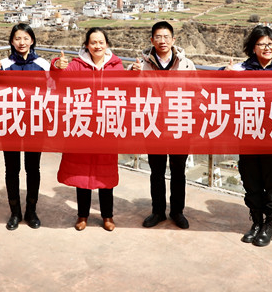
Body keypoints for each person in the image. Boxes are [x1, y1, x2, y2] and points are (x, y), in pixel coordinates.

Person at [223, 25, 272, 247]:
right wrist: (225, 75)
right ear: (253, 48)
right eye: (261, 44)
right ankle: (256, 222)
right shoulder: (240, 69)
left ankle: (269, 225)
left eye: (270, 44)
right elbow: (219, 88)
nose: (266, 48)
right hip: (248, 133)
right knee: (251, 179)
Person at [53, 27, 123, 231]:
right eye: (93, 42)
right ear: (86, 45)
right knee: (81, 172)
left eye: (101, 42)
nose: (97, 46)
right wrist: (57, 65)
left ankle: (107, 216)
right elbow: (58, 79)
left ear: (107, 44)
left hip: (106, 126)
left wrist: (134, 74)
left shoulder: (116, 66)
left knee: (105, 173)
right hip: (82, 124)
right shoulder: (76, 65)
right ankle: (82, 215)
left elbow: (126, 89)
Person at [131, 21, 196, 230]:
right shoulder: (141, 65)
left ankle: (177, 212)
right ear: (152, 40)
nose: (162, 41)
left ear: (173, 40)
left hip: (179, 124)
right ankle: (157, 211)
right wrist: (131, 74)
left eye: (166, 37)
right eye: (158, 37)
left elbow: (197, 91)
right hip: (154, 124)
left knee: (178, 171)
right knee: (157, 171)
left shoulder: (186, 64)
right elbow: (129, 90)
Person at [0, 23, 50, 230]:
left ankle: (31, 211)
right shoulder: (4, 64)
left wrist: (60, 69)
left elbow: (53, 90)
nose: (22, 42)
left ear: (32, 40)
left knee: (33, 168)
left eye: (25, 38)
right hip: (10, 121)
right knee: (12, 168)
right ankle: (15, 211)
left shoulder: (43, 64)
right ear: (11, 41)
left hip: (35, 122)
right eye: (17, 38)